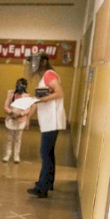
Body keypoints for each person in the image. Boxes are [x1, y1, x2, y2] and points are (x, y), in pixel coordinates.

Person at [25, 52, 66, 198]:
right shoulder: (44, 78)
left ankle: (42, 188)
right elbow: (37, 101)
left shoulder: (49, 74)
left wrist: (45, 99)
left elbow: (60, 93)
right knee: (48, 153)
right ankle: (48, 182)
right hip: (48, 121)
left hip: (52, 120)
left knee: (45, 153)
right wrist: (28, 117)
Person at [2, 78, 31, 163]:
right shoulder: (11, 94)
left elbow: (27, 109)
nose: (20, 87)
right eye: (18, 85)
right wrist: (10, 112)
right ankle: (7, 155)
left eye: (22, 85)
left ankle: (16, 156)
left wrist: (20, 114)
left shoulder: (27, 96)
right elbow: (6, 106)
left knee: (18, 139)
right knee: (9, 139)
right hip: (11, 118)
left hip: (20, 120)